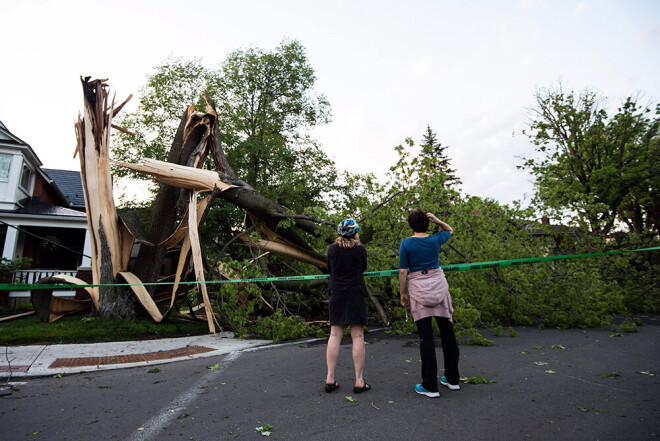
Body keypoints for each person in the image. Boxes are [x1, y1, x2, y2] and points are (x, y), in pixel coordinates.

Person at [399, 210, 460, 398]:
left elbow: (403, 271)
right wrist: (438, 220)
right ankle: (452, 379)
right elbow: (450, 230)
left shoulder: (407, 243)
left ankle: (430, 385)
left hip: (419, 289)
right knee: (447, 333)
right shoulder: (435, 240)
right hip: (439, 287)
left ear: (411, 225)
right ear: (427, 223)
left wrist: (403, 293)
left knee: (426, 338)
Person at [324, 219, 371, 394]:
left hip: (336, 294)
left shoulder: (332, 250)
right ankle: (359, 381)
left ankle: (330, 378)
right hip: (355, 294)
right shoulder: (360, 251)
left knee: (335, 335)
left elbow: (330, 269)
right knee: (357, 336)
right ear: (355, 234)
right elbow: (363, 268)